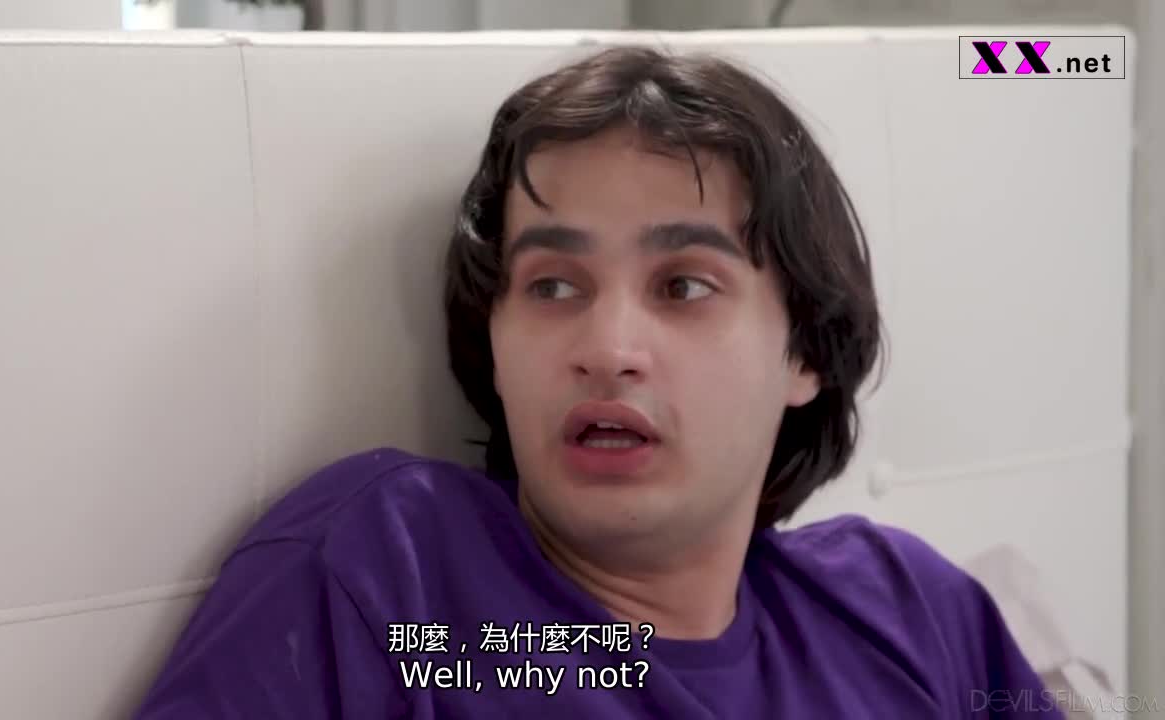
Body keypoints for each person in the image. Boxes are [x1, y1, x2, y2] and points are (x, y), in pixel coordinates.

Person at [133, 45, 1057, 719]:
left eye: (683, 286)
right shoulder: (390, 572)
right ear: (494, 343)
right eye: (553, 286)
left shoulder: (909, 612)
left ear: (805, 352)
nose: (609, 349)